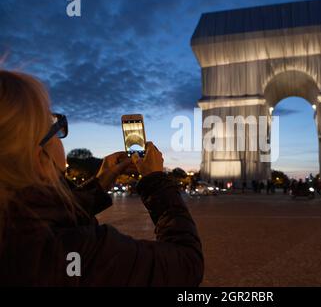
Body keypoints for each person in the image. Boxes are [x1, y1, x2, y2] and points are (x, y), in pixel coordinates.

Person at [0, 70, 203, 286]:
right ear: (40, 158)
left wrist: (98, 185)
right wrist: (155, 181)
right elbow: (187, 265)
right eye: (54, 125)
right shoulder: (79, 253)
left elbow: (46, 215)